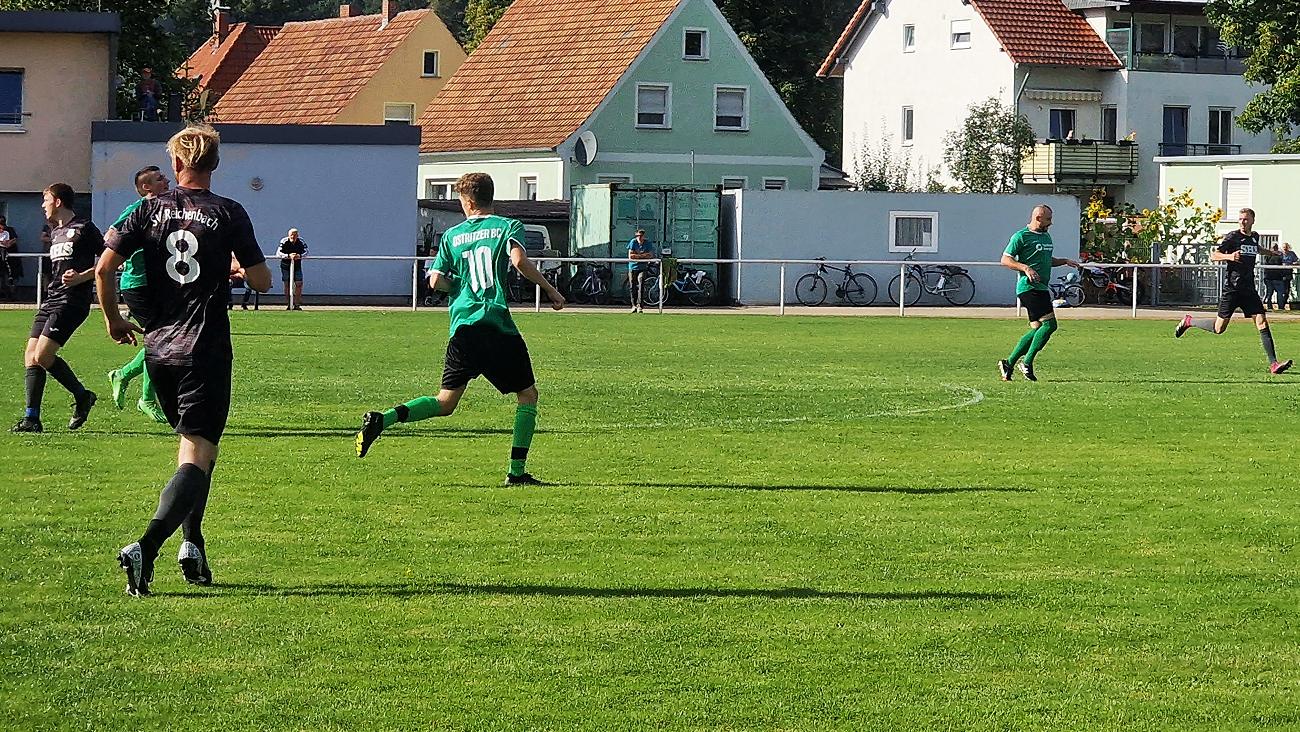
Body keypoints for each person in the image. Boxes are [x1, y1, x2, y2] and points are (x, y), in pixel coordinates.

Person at [96, 125, 271, 596]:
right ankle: (146, 547)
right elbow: (261, 281)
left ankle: (192, 544)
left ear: (175, 164)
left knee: (193, 453)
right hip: (204, 349)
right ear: (215, 164)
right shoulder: (229, 211)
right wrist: (236, 267)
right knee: (198, 454)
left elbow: (104, 267)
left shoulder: (145, 209)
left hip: (158, 350)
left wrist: (114, 319)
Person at [355, 172, 565, 485]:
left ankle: (382, 419)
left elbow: (435, 280)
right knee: (527, 395)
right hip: (495, 324)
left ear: (466, 201)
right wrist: (551, 290)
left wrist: (459, 288)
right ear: (489, 198)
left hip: (462, 329)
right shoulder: (507, 226)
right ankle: (516, 473)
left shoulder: (452, 236)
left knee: (445, 402)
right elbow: (519, 262)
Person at [12, 184, 102, 432]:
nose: (43, 205)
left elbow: (109, 261)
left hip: (72, 302)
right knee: (31, 356)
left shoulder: (84, 228)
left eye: (45, 199)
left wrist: (83, 276)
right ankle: (32, 418)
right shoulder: (55, 232)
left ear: (59, 201)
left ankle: (83, 396)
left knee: (43, 355)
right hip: (51, 300)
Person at [1175, 208, 1293, 373]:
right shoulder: (1232, 237)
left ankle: (1274, 364)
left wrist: (1271, 252)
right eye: (1240, 219)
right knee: (1219, 328)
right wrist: (1229, 257)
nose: (1242, 222)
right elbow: (1214, 255)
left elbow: (1256, 248)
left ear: (1253, 220)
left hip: (1248, 289)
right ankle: (1189, 321)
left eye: (1245, 219)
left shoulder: (1254, 237)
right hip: (1232, 288)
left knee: (1262, 321)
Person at [106, 166, 170, 424]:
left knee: (162, 341)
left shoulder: (168, 209)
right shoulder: (137, 209)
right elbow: (110, 235)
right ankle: (145, 398)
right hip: (137, 284)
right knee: (160, 341)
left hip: (159, 284)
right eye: (159, 179)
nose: (166, 180)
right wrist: (125, 251)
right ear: (147, 188)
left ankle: (123, 375)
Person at [997, 204, 1081, 382]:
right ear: (1038, 218)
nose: (1051, 223)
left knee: (1037, 329)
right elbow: (1005, 259)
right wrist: (1025, 268)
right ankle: (1026, 363)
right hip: (1029, 288)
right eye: (1048, 219)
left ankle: (1009, 364)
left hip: (1041, 288)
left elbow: (1045, 260)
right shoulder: (1021, 236)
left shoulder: (1046, 237)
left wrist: (1064, 261)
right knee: (1050, 325)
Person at [277, 228, 307, 310]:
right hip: (285, 266)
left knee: (299, 284)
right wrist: (288, 256)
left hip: (297, 266)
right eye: (291, 235)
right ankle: (289, 304)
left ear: (298, 235)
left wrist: (299, 256)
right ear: (288, 235)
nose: (293, 236)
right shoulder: (284, 241)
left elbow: (306, 252)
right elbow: (278, 253)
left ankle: (297, 304)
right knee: (287, 284)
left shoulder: (301, 241)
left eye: (295, 235)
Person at [627, 229, 655, 313]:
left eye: (641, 236)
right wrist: (643, 256)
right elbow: (631, 256)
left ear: (643, 236)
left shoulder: (647, 243)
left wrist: (638, 256)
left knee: (641, 283)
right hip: (633, 267)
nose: (639, 238)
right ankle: (633, 305)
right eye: (638, 236)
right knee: (632, 286)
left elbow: (650, 255)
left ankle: (640, 306)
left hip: (643, 267)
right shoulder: (633, 242)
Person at [1262, 244, 1286, 311]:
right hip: (1277, 278)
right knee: (1280, 293)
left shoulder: (1267, 256)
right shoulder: (1279, 257)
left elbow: (1265, 266)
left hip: (1269, 277)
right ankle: (1281, 307)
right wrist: (1283, 275)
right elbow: (1282, 267)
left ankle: (1269, 306)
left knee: (1269, 293)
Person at [1282, 243, 1298, 310]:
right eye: (1283, 247)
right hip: (1280, 273)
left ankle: (1283, 304)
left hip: (1288, 273)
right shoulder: (1280, 254)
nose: (1285, 249)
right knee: (1280, 290)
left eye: (1286, 247)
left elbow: (1297, 260)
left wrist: (1294, 263)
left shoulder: (1291, 253)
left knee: (1286, 290)